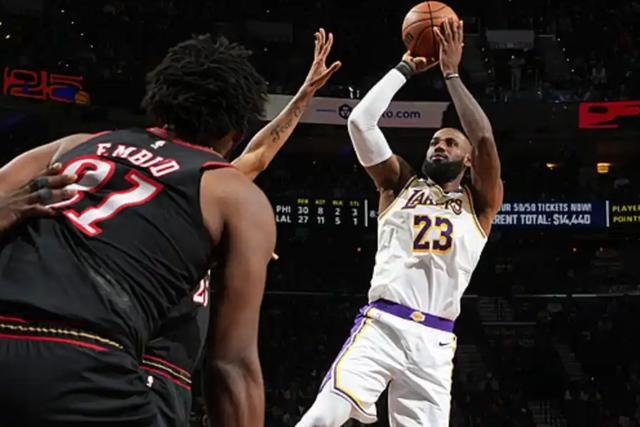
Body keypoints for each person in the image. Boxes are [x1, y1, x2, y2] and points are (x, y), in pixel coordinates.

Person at [0, 35, 275, 427]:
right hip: (82, 360)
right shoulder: (233, 194)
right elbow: (232, 366)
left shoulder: (76, 145)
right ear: (235, 133)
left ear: (158, 100)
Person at [296, 18, 503, 426]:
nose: (438, 146)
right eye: (434, 141)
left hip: (436, 342)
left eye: (450, 143)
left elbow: (483, 139)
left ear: (467, 160)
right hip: (383, 324)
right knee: (322, 417)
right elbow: (360, 123)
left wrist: (451, 74)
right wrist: (405, 68)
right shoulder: (399, 182)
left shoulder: (480, 204)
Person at [141, 28, 340, 427]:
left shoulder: (195, 182)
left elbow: (260, 154)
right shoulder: (208, 188)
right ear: (229, 132)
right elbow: (258, 155)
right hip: (145, 357)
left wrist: (305, 94)